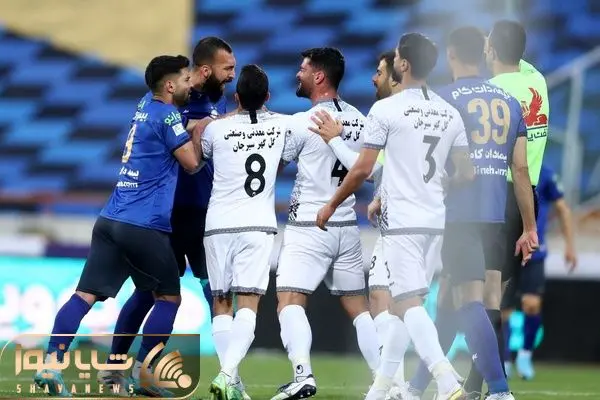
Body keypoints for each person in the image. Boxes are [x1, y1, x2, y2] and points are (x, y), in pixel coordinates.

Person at [314, 33, 471, 400]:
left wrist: (332, 204)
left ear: (403, 64)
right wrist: (436, 186)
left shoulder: (387, 110)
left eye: (397, 56)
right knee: (405, 306)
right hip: (434, 220)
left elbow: (362, 170)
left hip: (402, 221)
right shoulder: (450, 112)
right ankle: (382, 388)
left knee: (405, 304)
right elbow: (466, 173)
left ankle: (447, 381)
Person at [34, 55, 200, 397]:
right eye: (185, 79)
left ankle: (51, 363)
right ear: (170, 85)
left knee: (84, 295)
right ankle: (145, 375)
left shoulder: (144, 105)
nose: (190, 83)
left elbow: (167, 121)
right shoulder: (168, 115)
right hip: (143, 225)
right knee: (169, 298)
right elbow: (192, 163)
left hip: (110, 219)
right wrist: (203, 130)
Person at [96, 36, 247, 399]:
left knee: (213, 294)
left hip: (202, 212)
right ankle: (119, 366)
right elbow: (184, 139)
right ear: (205, 70)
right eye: (227, 69)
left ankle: (228, 374)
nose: (232, 75)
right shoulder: (178, 98)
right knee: (155, 294)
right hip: (172, 216)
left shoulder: (215, 98)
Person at [402, 26, 537, 400]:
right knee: (449, 301)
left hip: (458, 215)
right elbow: (521, 170)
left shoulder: (444, 101)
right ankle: (415, 388)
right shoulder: (510, 102)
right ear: (483, 53)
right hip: (496, 215)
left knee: (468, 300)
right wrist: (529, 226)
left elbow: (429, 163)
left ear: (451, 54)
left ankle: (499, 391)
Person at [270, 47, 381, 400]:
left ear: (319, 76)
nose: (298, 74)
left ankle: (302, 374)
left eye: (303, 69)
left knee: (289, 300)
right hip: (346, 225)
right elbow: (366, 169)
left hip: (310, 225)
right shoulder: (361, 119)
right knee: (359, 309)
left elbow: (274, 165)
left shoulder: (303, 121)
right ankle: (385, 380)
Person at [463, 19, 548, 396]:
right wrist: (531, 225)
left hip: (497, 194)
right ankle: (477, 384)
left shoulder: (493, 92)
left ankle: (489, 386)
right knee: (494, 294)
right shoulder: (537, 82)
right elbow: (515, 52)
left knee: (483, 296)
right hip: (527, 198)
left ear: (492, 49)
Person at [200, 64, 292, 400]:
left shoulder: (214, 129)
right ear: (267, 96)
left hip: (218, 224)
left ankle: (232, 382)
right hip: (257, 224)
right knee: (248, 304)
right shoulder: (284, 125)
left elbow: (199, 160)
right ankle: (228, 376)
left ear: (236, 96)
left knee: (221, 303)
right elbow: (283, 162)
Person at [502, 164, 576, 380]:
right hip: (506, 249)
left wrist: (570, 246)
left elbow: (563, 209)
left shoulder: (546, 173)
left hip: (535, 250)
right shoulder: (504, 170)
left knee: (532, 304)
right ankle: (504, 360)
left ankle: (525, 356)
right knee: (503, 310)